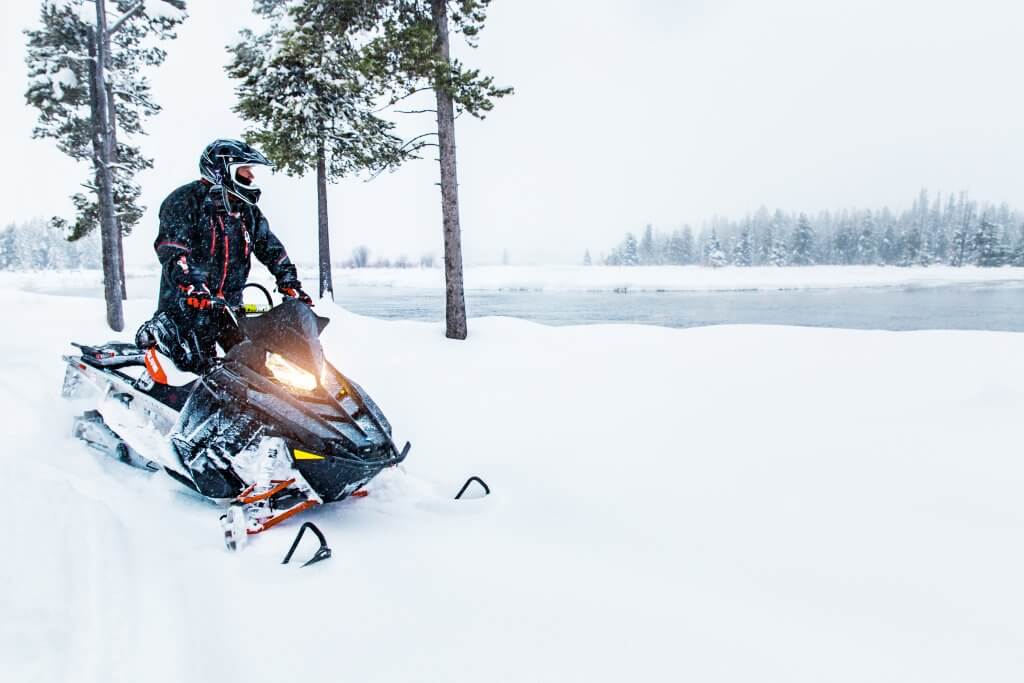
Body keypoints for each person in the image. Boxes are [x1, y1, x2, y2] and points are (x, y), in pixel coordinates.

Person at [136, 139, 312, 373]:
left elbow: (270, 247)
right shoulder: (185, 201)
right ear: (223, 170)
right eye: (245, 170)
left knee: (255, 366)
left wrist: (289, 282)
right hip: (187, 309)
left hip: (227, 309)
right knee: (202, 373)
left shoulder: (246, 210)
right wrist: (192, 285)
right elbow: (174, 250)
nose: (250, 176)